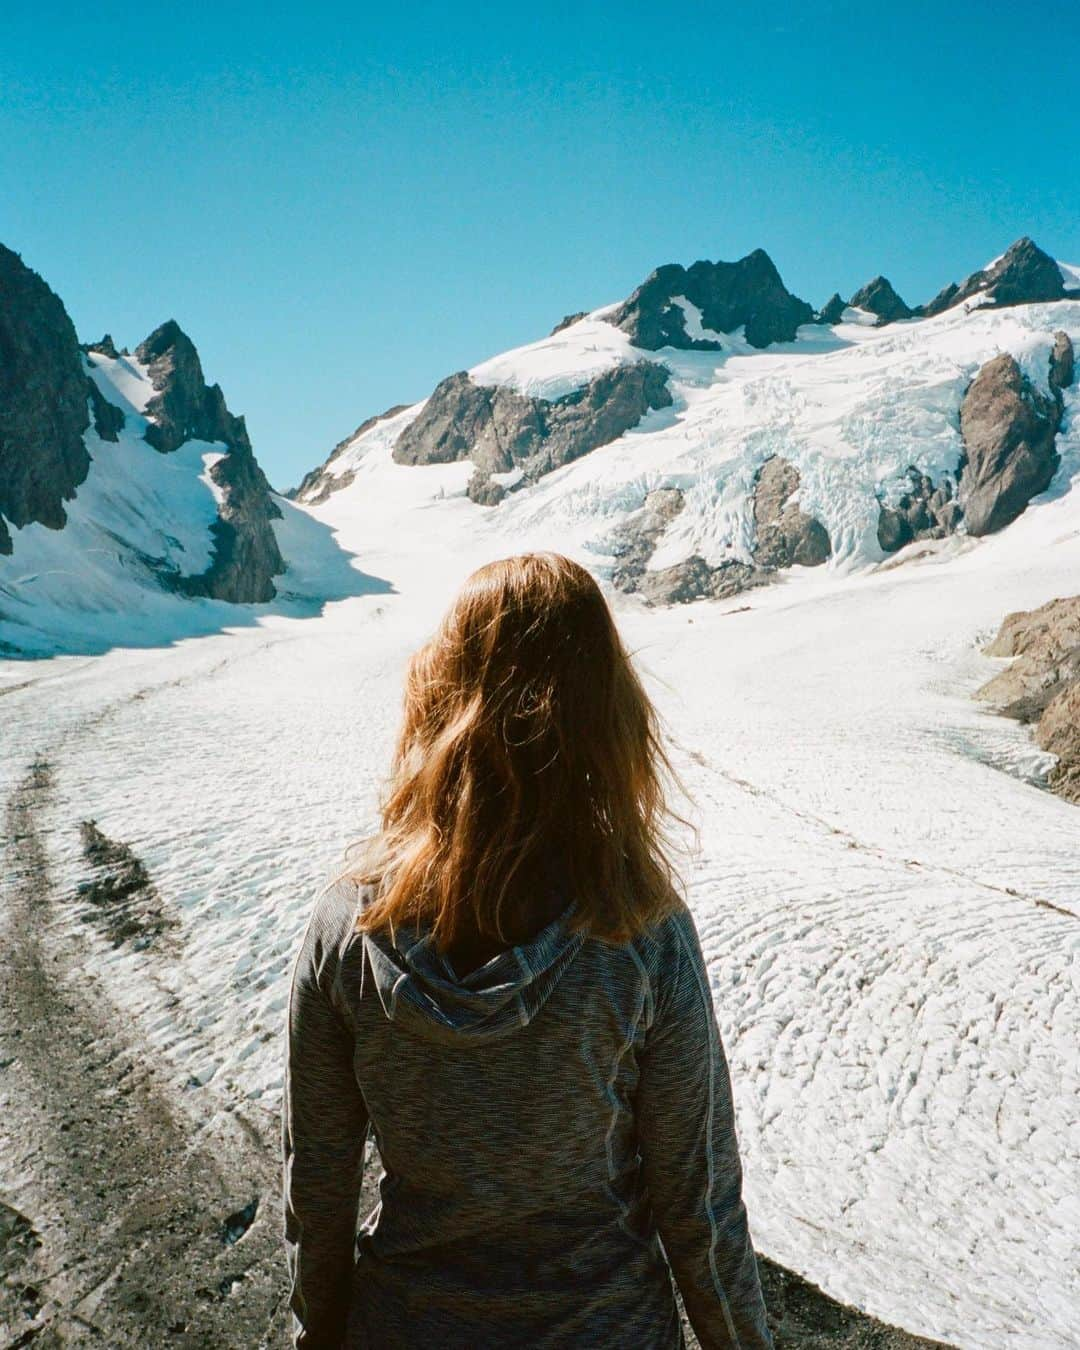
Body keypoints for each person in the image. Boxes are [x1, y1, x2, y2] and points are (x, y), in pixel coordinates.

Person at [282, 551, 774, 1349]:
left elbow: (319, 1189)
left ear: (438, 698)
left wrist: (321, 1337)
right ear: (605, 715)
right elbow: (700, 1204)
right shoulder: (638, 928)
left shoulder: (348, 926)